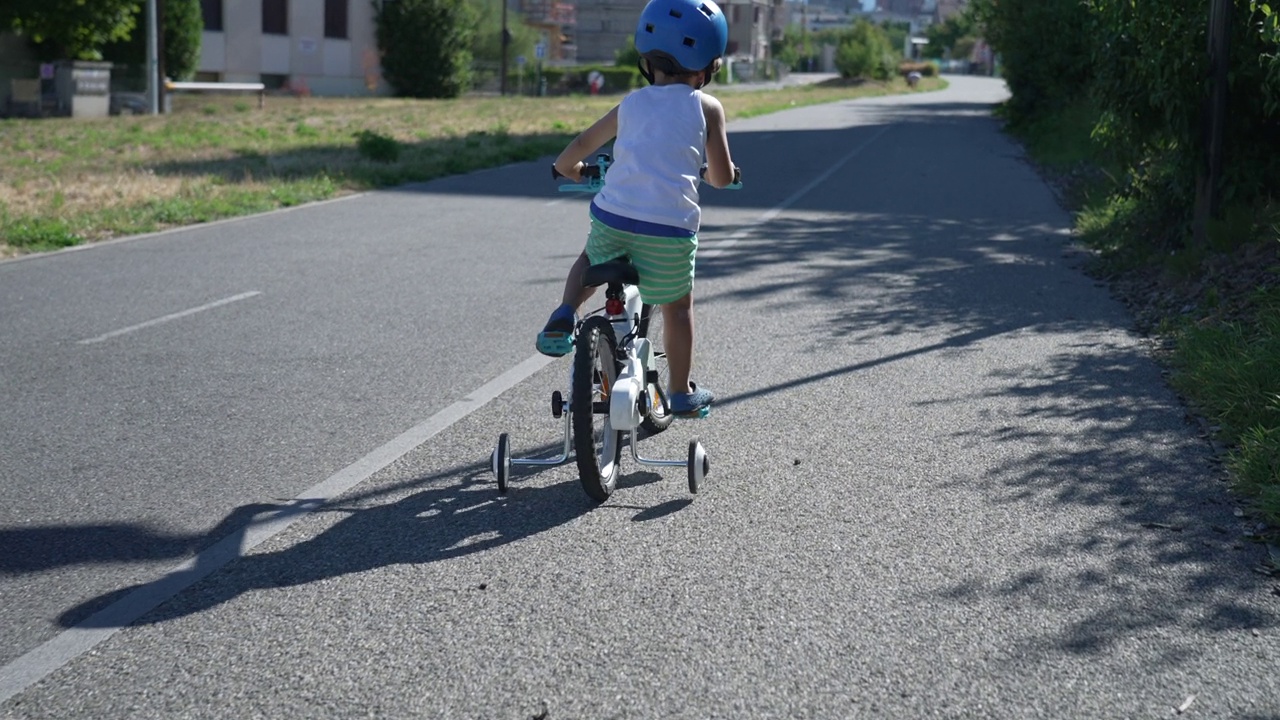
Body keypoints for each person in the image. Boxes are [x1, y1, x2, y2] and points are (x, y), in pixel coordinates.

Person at [535, 0, 737, 420]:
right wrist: (725, 172)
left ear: (647, 62)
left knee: (590, 258)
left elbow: (581, 145)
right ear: (705, 69)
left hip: (614, 217)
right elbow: (718, 177)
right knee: (678, 308)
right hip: (669, 232)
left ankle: (564, 313)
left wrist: (568, 169)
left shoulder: (630, 103)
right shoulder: (707, 107)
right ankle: (680, 392)